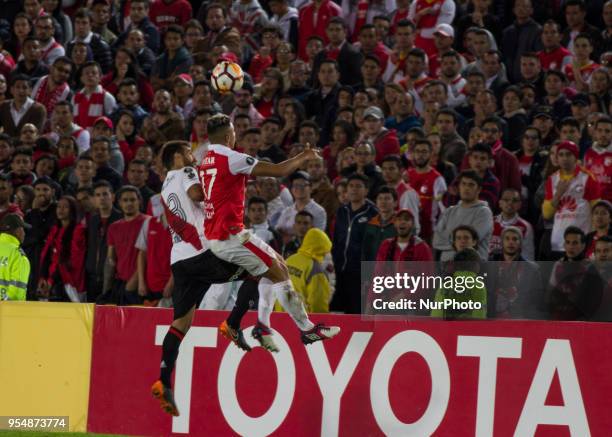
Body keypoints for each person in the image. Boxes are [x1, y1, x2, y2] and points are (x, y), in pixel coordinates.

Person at [200, 114, 340, 350]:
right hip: (230, 236)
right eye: (234, 132)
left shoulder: (206, 160)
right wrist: (303, 156)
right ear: (227, 136)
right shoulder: (231, 158)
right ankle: (307, 329)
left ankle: (262, 325)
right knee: (279, 274)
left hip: (222, 233)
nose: (236, 136)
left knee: (278, 264)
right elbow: (278, 170)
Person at [542, 140, 601, 258]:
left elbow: (597, 209)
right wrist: (558, 194)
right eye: (561, 155)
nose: (564, 158)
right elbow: (547, 214)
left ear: (575, 157)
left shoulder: (587, 177)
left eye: (568, 154)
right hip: (559, 240)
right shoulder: (552, 180)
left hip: (582, 241)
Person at [331, 173, 378, 313]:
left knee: (356, 312)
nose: (354, 189)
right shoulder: (342, 211)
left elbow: (373, 246)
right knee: (337, 311)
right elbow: (336, 239)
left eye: (358, 186)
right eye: (351, 186)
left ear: (366, 190)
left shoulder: (373, 214)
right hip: (338, 270)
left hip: (360, 273)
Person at [433, 170, 494, 261]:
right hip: (446, 269)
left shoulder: (484, 213)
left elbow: (470, 242)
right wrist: (458, 242)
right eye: (463, 184)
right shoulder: (449, 211)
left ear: (479, 189)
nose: (466, 188)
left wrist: (448, 238)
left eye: (471, 185)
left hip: (473, 270)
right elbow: (436, 241)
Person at [546, 226, 604, 320]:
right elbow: (550, 292)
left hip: (580, 320)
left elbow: (593, 299)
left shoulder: (590, 267)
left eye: (575, 243)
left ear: (583, 246)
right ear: (564, 245)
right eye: (568, 242)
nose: (571, 246)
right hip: (557, 316)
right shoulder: (558, 265)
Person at [37, 195, 86, 302]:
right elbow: (46, 256)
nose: (61, 210)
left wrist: (51, 280)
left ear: (72, 210)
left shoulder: (78, 230)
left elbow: (74, 259)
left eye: (65, 207)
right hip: (51, 281)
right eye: (59, 206)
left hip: (69, 283)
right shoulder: (54, 230)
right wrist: (43, 277)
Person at [488, 226, 543, 319]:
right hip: (491, 317)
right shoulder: (490, 265)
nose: (511, 242)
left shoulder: (532, 269)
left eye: (515, 239)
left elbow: (537, 299)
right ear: (502, 242)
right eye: (507, 239)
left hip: (519, 319)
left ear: (520, 243)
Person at [282, 228, 332, 313]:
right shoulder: (316, 270)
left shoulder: (289, 260)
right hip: (302, 322)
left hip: (280, 317)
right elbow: (318, 305)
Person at [488, 188, 536, 260]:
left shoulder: (526, 227)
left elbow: (528, 256)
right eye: (506, 200)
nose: (510, 203)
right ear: (500, 203)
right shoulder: (489, 222)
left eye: (514, 200)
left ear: (520, 205)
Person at [361, 186, 398, 261]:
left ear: (395, 203)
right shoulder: (371, 224)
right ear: (376, 203)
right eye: (380, 198)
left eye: (387, 198)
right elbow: (365, 251)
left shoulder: (401, 225)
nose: (383, 202)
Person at [0, 213, 30, 301]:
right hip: (7, 312)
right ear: (17, 231)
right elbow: (16, 295)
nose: (24, 233)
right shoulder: (18, 256)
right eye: (23, 229)